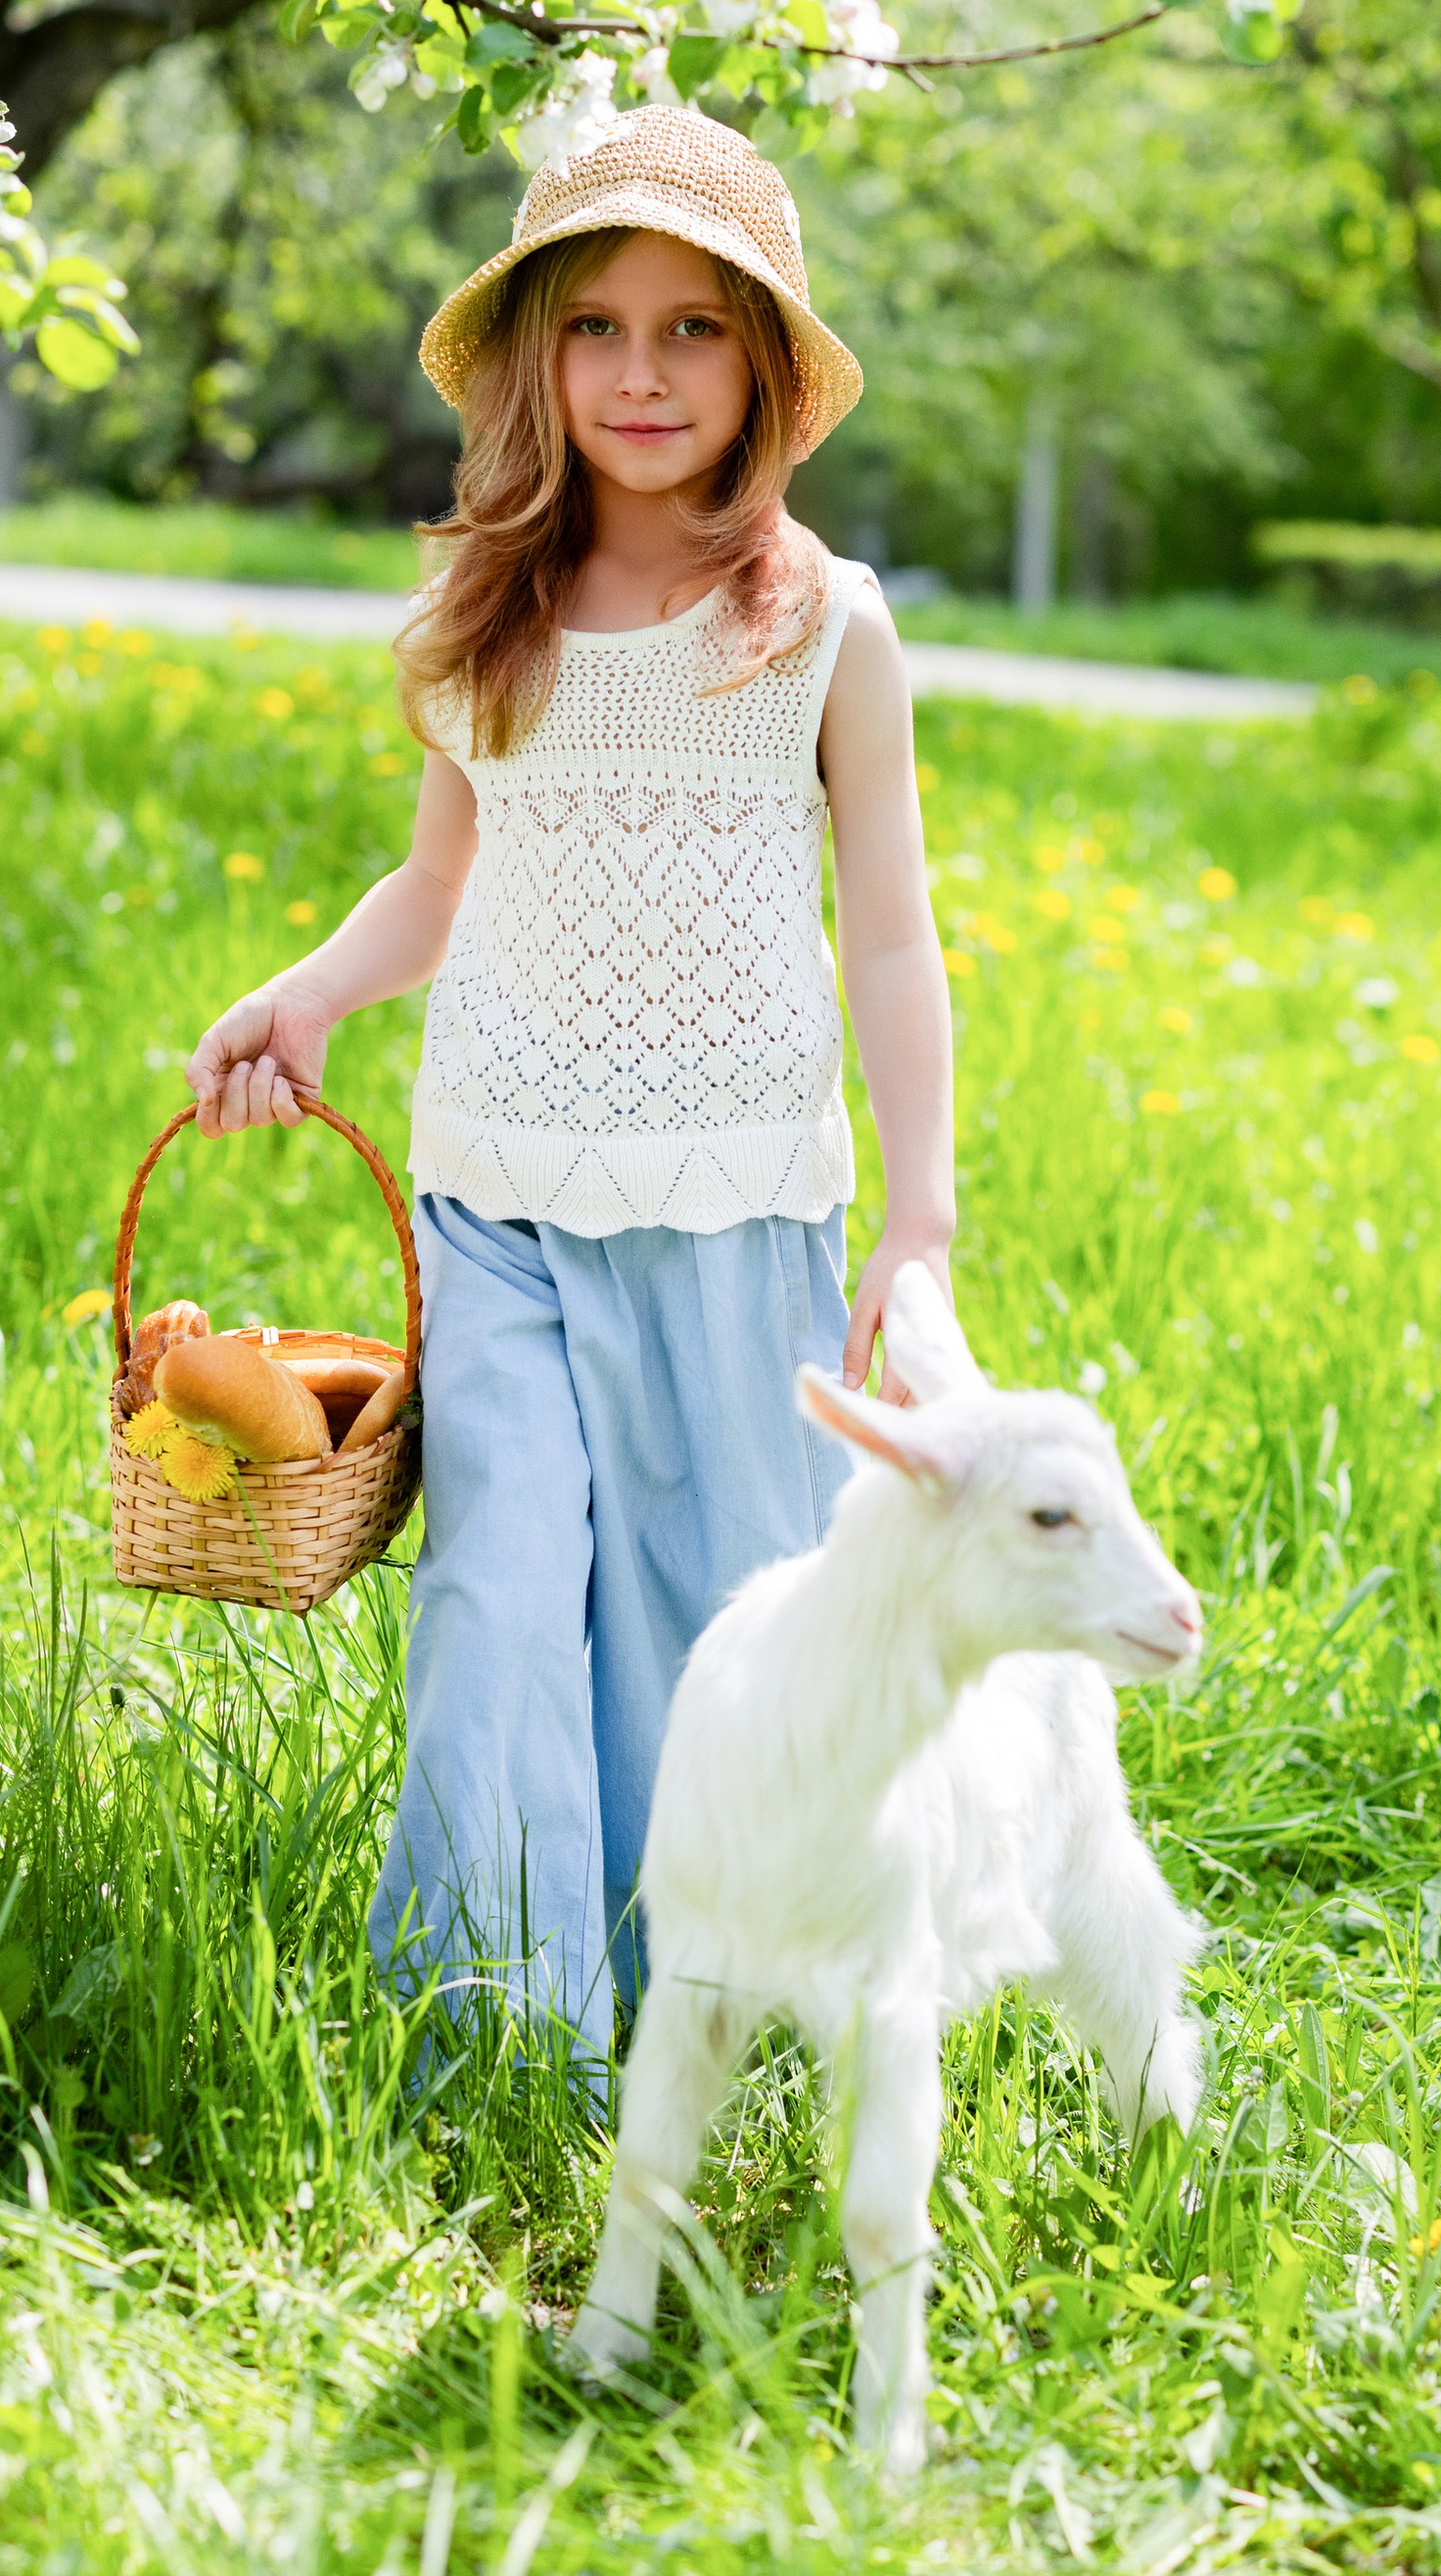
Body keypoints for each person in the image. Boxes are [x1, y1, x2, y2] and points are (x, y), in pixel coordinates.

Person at [184, 107, 953, 2061]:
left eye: (693, 328)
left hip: (735, 1202)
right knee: (499, 1597)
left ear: (765, 366)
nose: (637, 371)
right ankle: (487, 2016)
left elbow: (886, 935)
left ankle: (705, 1993)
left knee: (712, 1611)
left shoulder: (823, 631)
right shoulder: (484, 618)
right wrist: (309, 991)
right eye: (595, 324)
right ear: (533, 355)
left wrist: (917, 1211)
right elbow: (442, 876)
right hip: (496, 1196)